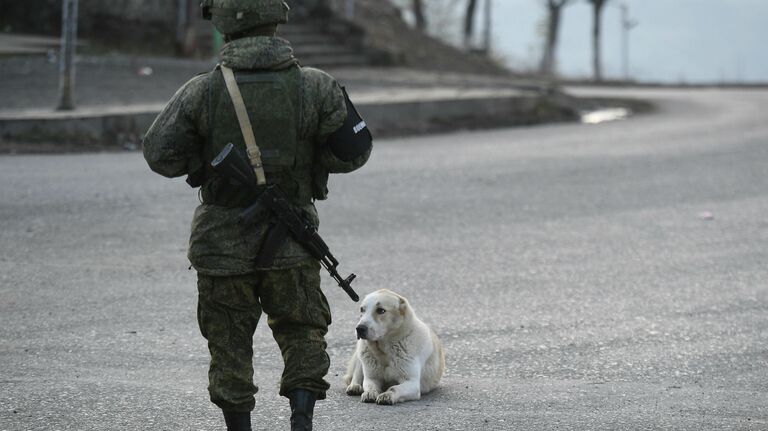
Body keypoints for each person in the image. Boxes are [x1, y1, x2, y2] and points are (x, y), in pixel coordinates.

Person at [142, 1, 372, 429]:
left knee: (228, 340)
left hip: (221, 246)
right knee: (303, 329)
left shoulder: (202, 90)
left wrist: (206, 163)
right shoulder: (317, 87)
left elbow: (159, 155)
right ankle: (301, 418)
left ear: (224, 26)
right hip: (293, 242)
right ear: (276, 18)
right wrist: (309, 159)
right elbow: (355, 151)